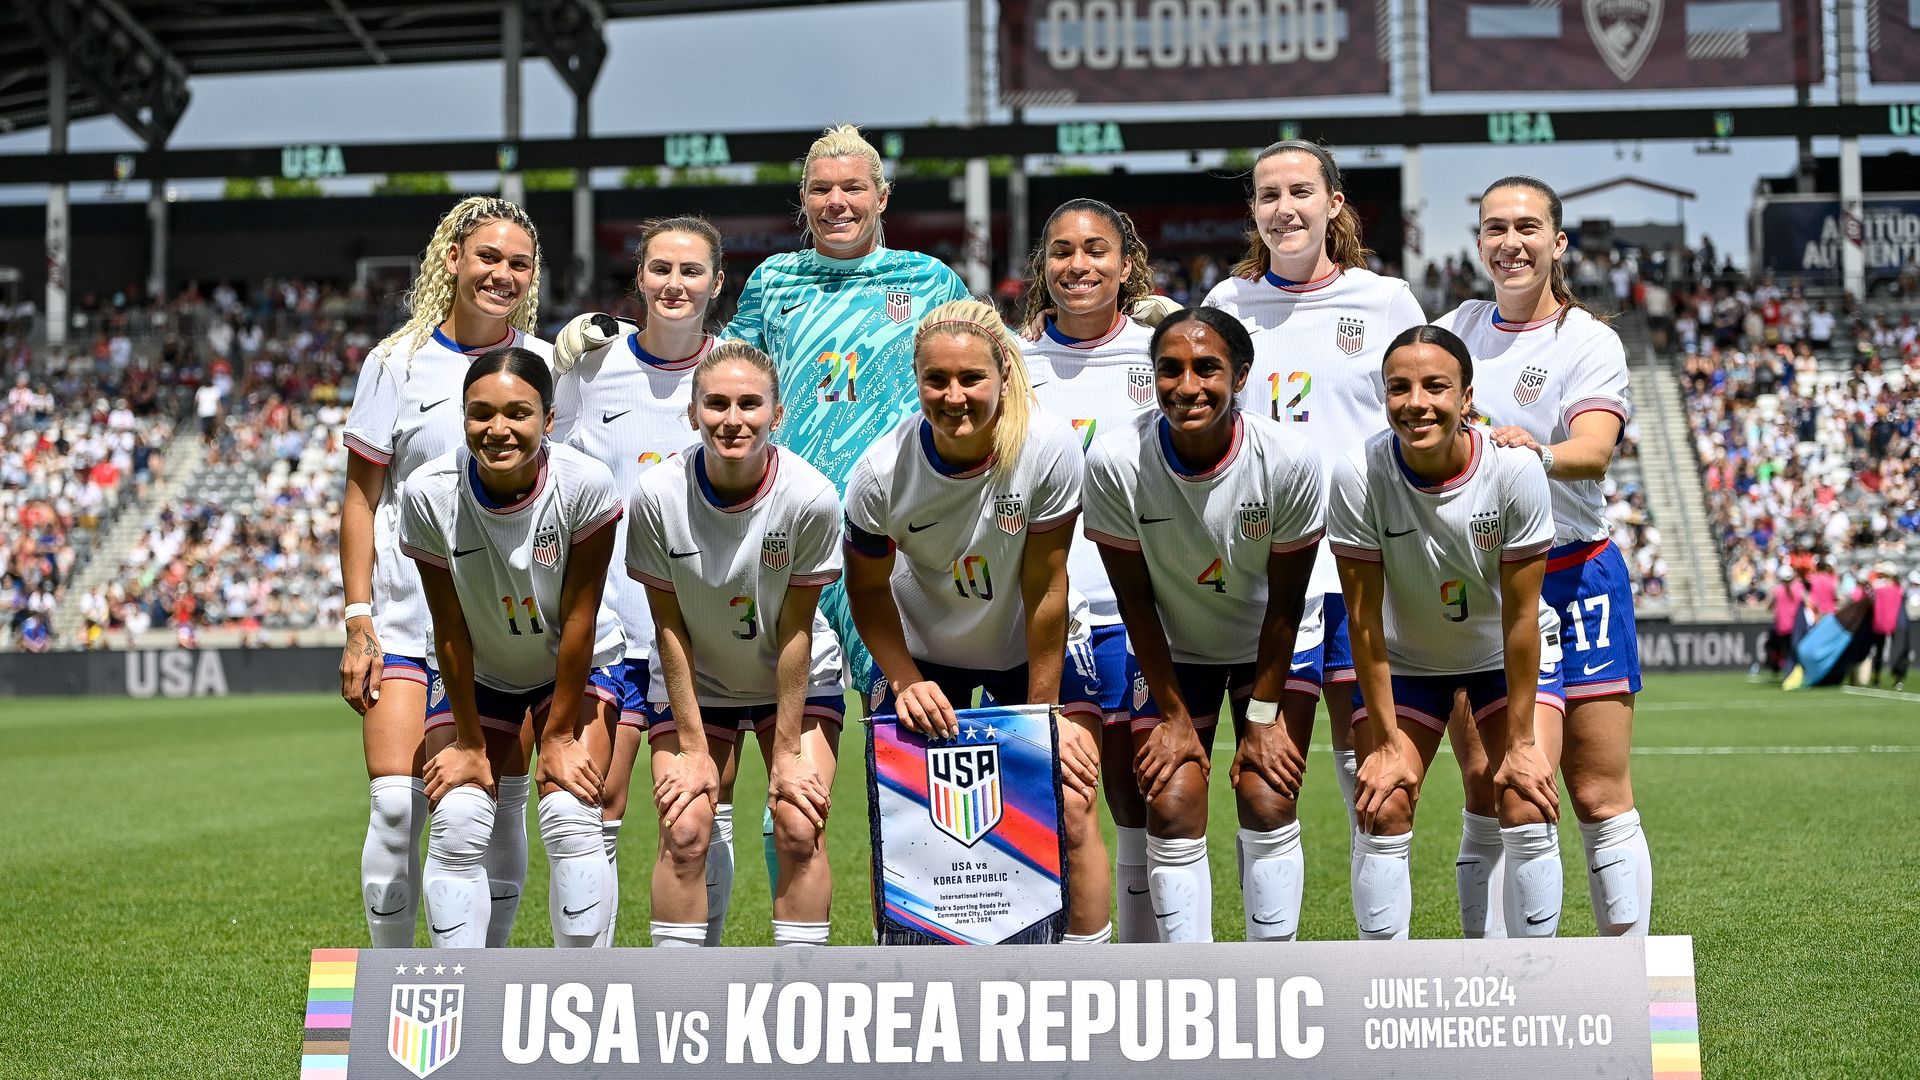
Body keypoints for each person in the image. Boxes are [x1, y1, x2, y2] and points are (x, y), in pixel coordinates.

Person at [843, 299, 1110, 944]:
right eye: (936, 380)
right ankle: (925, 981)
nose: (954, 395)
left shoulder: (1047, 449)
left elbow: (1046, 585)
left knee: (1069, 808)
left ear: (1004, 378)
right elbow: (869, 595)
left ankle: (1085, 981)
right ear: (916, 381)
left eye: (971, 379)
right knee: (920, 827)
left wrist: (1042, 719)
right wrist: (906, 682)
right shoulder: (882, 474)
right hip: (927, 658)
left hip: (1032, 651)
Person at [1434, 175, 1652, 938]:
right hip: (1481, 587)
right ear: (1480, 244)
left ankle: (1623, 978)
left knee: (1597, 793)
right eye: (1495, 229)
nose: (1510, 243)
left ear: (1557, 243)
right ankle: (1498, 990)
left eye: (1527, 228)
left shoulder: (1587, 340)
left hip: (1573, 575)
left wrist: (1537, 453)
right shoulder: (1455, 327)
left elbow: (1593, 451)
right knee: (1491, 786)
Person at [1202, 140, 1425, 852]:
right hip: (1263, 583)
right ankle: (1275, 967)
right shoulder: (1223, 304)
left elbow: (1431, 426)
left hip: (1366, 575)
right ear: (1253, 213)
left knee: (1377, 790)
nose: (1283, 208)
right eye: (1268, 196)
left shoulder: (1386, 301)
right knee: (1265, 790)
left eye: (1300, 192)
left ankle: (1373, 966)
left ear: (1333, 204)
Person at [340, 196, 550, 947]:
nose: (501, 273)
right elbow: (362, 499)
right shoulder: (395, 363)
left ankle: (479, 985)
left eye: (517, 263)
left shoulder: (547, 365)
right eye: (487, 257)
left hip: (503, 631)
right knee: (397, 808)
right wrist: (357, 618)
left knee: (491, 806)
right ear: (452, 259)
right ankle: (395, 985)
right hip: (404, 619)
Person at [1082, 306, 1325, 944]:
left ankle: (1274, 973)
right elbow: (1134, 604)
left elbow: (1286, 603)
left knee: (1268, 797)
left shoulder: (1291, 459)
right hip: (1174, 653)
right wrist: (1171, 716)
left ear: (1240, 376)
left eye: (1207, 368)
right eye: (1170, 369)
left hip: (1268, 647)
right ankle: (1189, 977)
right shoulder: (1114, 460)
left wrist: (1264, 721)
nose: (1187, 386)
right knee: (1170, 802)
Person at [1330, 325, 1563, 941]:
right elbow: (1362, 622)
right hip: (1407, 661)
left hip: (1498, 655)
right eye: (1398, 387)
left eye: (1436, 386)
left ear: (1466, 397)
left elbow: (1519, 618)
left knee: (1523, 798)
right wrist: (1381, 745)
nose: (1416, 402)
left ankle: (1532, 987)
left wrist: (1518, 743)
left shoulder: (1515, 471)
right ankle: (1384, 994)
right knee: (1383, 805)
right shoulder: (1358, 473)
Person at [399, 347, 624, 948]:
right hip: (478, 670)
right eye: (481, 414)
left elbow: (580, 618)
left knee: (572, 817)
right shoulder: (428, 493)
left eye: (518, 413)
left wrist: (556, 739)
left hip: (574, 665)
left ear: (549, 420)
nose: (497, 429)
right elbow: (446, 624)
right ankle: (464, 1004)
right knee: (457, 823)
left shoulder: (587, 485)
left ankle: (584, 998)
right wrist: (470, 742)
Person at [626, 342, 847, 948]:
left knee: (799, 826)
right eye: (716, 403)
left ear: (777, 415)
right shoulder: (655, 494)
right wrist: (694, 747)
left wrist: (786, 754)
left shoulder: (811, 497)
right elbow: (667, 628)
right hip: (697, 680)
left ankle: (798, 1005)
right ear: (692, 412)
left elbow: (797, 631)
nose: (733, 418)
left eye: (750, 404)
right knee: (686, 828)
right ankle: (682, 1005)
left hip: (792, 677)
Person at [552, 216, 726, 946]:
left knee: (699, 817)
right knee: (593, 810)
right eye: (661, 269)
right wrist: (553, 355)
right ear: (640, 278)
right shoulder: (591, 370)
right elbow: (542, 458)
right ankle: (587, 994)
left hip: (708, 634)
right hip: (616, 630)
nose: (675, 284)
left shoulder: (739, 370)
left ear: (717, 283)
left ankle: (696, 987)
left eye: (691, 271)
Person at [1016, 198, 1162, 942]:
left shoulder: (1163, 351)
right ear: (1043, 267)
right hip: (1053, 613)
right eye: (1063, 251)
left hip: (1140, 609)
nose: (1080, 266)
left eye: (1098, 250)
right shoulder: (1014, 361)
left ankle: (1145, 971)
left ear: (1126, 264)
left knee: (1144, 795)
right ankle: (1086, 975)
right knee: (1070, 797)